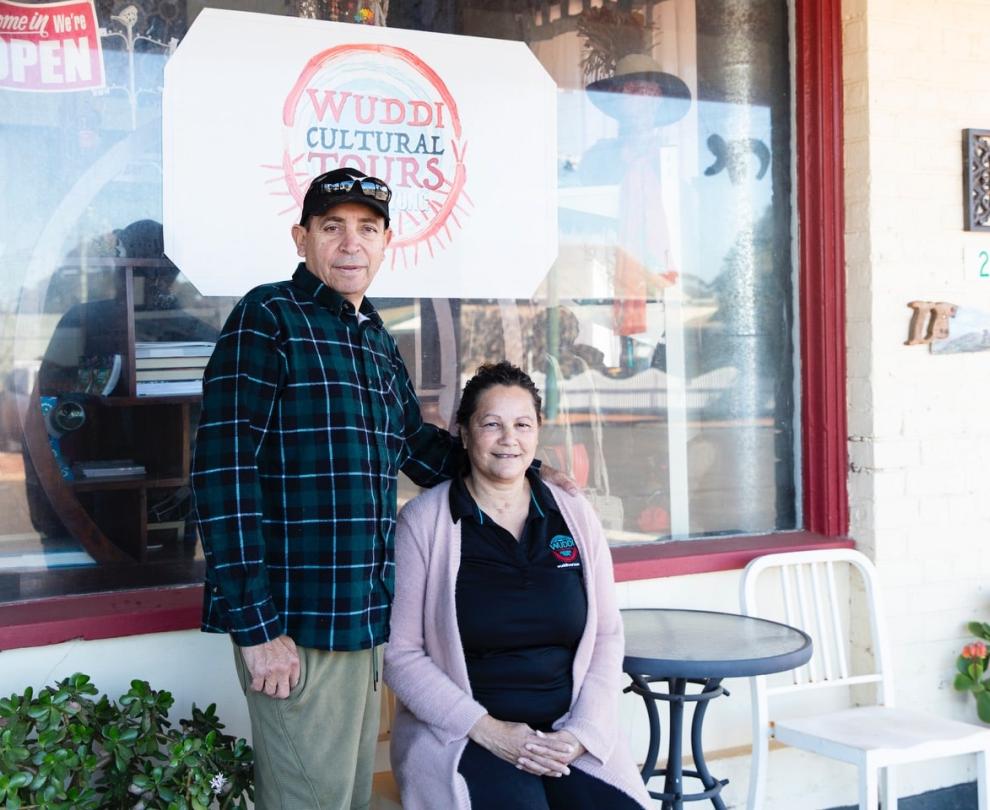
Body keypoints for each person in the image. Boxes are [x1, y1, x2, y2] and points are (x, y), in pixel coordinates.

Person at [191, 169, 573, 810]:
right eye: (333, 227)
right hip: (295, 627)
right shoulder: (268, 318)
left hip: (362, 621)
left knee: (345, 800)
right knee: (309, 802)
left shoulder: (373, 339)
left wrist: (520, 466)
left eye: (367, 229)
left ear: (386, 242)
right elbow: (222, 474)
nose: (351, 244)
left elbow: (418, 448)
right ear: (302, 238)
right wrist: (257, 631)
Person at [384, 361, 652, 810]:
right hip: (467, 734)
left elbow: (607, 634)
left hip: (565, 731)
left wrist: (582, 733)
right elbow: (400, 655)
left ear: (538, 432)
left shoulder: (573, 512)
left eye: (522, 425)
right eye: (492, 424)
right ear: (464, 433)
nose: (509, 438)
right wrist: (489, 730)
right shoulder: (424, 522)